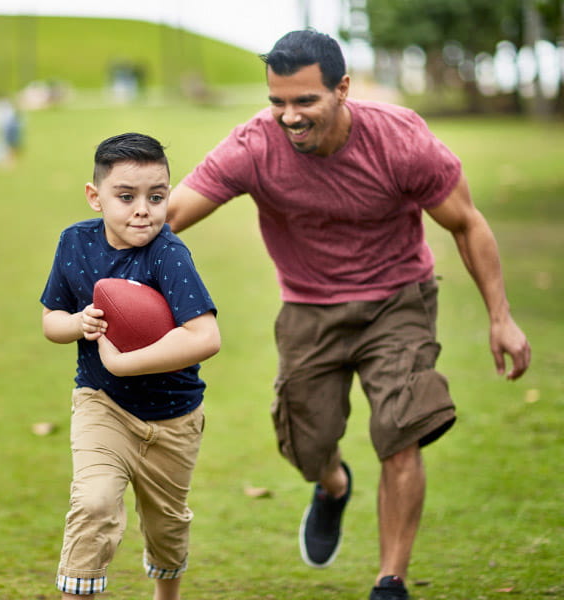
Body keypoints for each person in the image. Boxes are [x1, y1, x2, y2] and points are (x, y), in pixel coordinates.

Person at [166, 29, 531, 600]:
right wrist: (106, 253)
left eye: (305, 100)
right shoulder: (254, 146)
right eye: (277, 102)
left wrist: (500, 316)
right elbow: (175, 210)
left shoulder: (400, 142)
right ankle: (333, 486)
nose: (289, 116)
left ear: (342, 88)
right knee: (306, 446)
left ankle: (392, 579)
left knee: (400, 432)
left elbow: (465, 223)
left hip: (398, 301)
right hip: (309, 309)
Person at [40, 132, 221, 600]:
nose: (144, 209)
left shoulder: (168, 252)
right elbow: (50, 321)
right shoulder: (74, 243)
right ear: (94, 197)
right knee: (94, 503)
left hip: (173, 417)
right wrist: (78, 323)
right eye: (126, 196)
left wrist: (124, 362)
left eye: (156, 196)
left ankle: (167, 594)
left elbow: (205, 337)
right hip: (103, 405)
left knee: (167, 525)